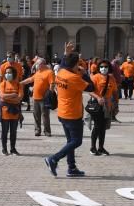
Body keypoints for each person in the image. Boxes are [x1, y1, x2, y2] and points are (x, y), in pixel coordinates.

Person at [44, 42, 100, 178]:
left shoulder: (62, 72)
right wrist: (84, 73)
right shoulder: (74, 78)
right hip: (72, 114)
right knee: (77, 141)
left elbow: (64, 63)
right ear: (75, 65)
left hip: (62, 112)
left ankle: (72, 167)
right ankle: (54, 159)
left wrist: (66, 53)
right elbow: (91, 87)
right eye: (78, 64)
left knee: (70, 142)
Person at [89, 60, 117, 156]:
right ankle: (93, 147)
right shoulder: (95, 77)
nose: (103, 68)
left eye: (105, 66)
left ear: (109, 68)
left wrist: (115, 104)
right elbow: (89, 91)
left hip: (107, 105)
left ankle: (101, 147)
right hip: (97, 105)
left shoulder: (111, 78)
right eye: (101, 66)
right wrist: (98, 97)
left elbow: (115, 92)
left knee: (103, 128)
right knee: (97, 126)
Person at [22, 57, 54, 137]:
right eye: (36, 64)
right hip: (35, 97)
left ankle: (47, 131)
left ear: (43, 64)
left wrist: (50, 95)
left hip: (44, 98)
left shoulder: (49, 72)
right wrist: (21, 83)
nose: (36, 65)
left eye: (37, 64)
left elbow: (52, 84)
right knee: (36, 115)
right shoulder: (38, 72)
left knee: (45, 116)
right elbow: (30, 79)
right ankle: (37, 130)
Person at [0, 64, 22, 155]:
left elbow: (20, 97)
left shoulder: (18, 84)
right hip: (5, 111)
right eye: (6, 73)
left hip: (15, 111)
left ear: (14, 74)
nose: (8, 74)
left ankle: (13, 148)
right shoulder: (2, 84)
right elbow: (2, 96)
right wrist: (13, 95)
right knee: (4, 131)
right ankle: (4, 148)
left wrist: (9, 97)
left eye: (10, 73)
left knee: (13, 131)